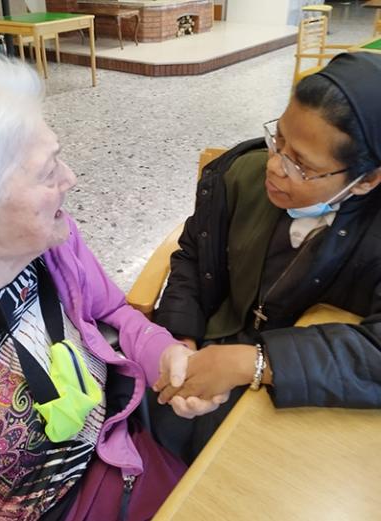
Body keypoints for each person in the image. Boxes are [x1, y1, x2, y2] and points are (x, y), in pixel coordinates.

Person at [0, 50, 218, 521]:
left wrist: (164, 354)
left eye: (59, 158)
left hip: (114, 460)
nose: (70, 179)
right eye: (48, 173)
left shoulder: (53, 239)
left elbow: (117, 314)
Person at [151, 52, 381, 463]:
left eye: (302, 165)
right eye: (278, 139)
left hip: (300, 389)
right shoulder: (240, 175)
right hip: (213, 343)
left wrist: (257, 362)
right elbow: (191, 256)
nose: (274, 166)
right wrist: (179, 339)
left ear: (366, 181)